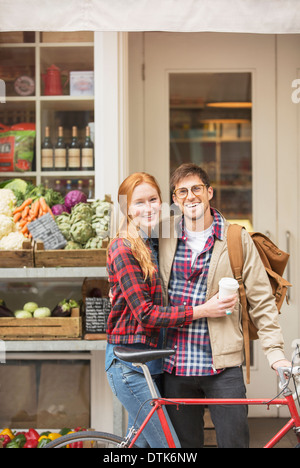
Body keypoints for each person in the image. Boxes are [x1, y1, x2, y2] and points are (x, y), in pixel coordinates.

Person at [159, 163, 291, 449]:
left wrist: (275, 353)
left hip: (223, 366)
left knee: (234, 443)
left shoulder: (235, 237)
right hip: (175, 364)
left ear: (209, 192)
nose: (190, 196)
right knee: (183, 448)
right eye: (182, 191)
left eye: (196, 189)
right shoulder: (163, 237)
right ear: (174, 199)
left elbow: (261, 301)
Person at [105, 172, 237, 448]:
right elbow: (146, 314)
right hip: (129, 366)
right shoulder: (123, 247)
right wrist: (203, 310)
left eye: (153, 199)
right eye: (139, 202)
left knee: (141, 446)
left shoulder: (152, 242)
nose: (148, 207)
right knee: (169, 448)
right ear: (126, 208)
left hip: (152, 364)